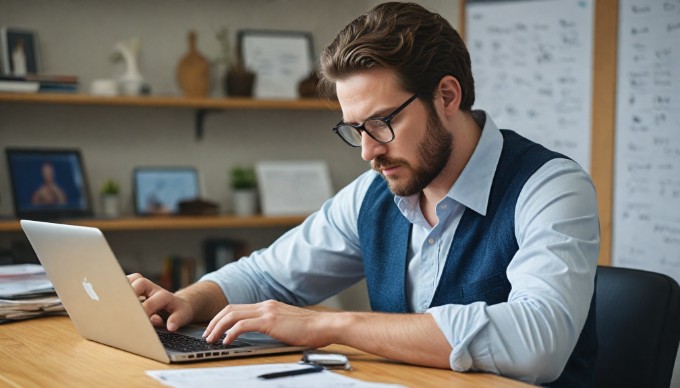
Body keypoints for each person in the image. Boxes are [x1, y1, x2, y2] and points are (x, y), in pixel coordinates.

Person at [128, 3, 599, 386]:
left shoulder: (551, 187)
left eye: (382, 122)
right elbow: (268, 274)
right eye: (355, 129)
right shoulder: (375, 192)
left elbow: (540, 344)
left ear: (448, 96)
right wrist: (189, 299)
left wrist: (330, 325)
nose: (368, 150)